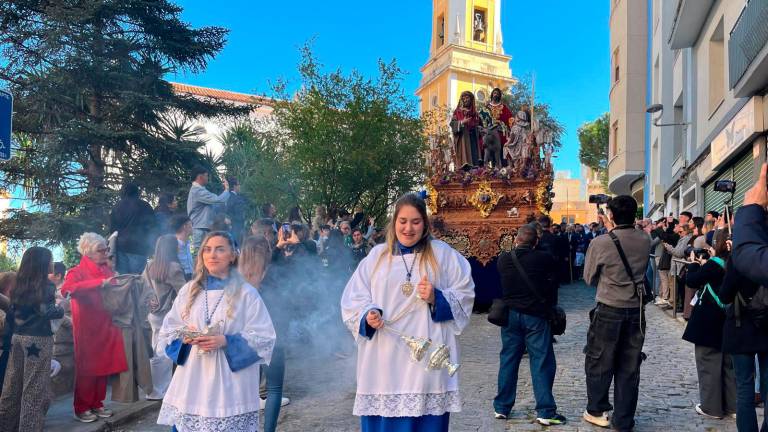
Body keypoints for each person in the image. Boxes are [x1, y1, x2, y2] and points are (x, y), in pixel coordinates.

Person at [340, 193, 475, 432]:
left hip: (427, 354)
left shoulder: (442, 254)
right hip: (384, 356)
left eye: (415, 221)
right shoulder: (377, 256)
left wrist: (437, 297)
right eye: (403, 221)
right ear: (394, 222)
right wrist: (368, 314)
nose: (408, 228)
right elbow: (353, 298)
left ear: (425, 223)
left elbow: (465, 292)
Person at [156, 231, 276, 431]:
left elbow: (264, 338)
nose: (212, 255)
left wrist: (226, 340)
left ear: (232, 255)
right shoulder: (189, 291)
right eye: (208, 249)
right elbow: (169, 330)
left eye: (220, 249)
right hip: (194, 377)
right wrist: (186, 337)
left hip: (231, 382)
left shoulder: (246, 293)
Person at [582, 195, 651, 431]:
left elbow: (588, 278)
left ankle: (597, 409)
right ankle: (623, 420)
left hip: (609, 308)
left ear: (610, 215)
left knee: (599, 361)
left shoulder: (600, 243)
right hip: (636, 310)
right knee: (629, 366)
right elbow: (625, 238)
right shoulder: (645, 239)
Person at [493, 225, 566, 425]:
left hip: (510, 316)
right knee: (541, 361)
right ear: (535, 242)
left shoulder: (504, 259)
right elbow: (554, 279)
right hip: (536, 316)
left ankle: (502, 407)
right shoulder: (543, 258)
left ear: (516, 240)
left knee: (508, 359)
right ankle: (545, 410)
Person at [61, 232, 127, 423]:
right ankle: (81, 407)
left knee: (104, 365)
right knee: (87, 369)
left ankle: (97, 403)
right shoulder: (76, 271)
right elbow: (68, 289)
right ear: (88, 252)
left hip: (106, 323)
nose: (106, 252)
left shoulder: (106, 268)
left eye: (106, 248)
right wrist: (99, 283)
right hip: (88, 329)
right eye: (101, 250)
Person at [0, 247, 64, 431]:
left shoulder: (19, 283)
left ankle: (5, 426)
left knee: (11, 387)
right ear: (43, 263)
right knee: (34, 390)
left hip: (17, 338)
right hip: (38, 339)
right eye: (51, 259)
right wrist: (61, 306)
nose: (53, 262)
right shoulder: (47, 285)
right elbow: (47, 312)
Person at [728, 163, 768, 432]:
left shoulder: (743, 254)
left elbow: (725, 291)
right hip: (764, 325)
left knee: (744, 389)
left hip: (742, 325)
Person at [682, 233, 736, 419]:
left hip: (709, 320)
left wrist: (695, 263)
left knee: (708, 363)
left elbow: (692, 281)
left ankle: (711, 407)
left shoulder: (715, 264)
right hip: (730, 319)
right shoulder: (738, 263)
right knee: (729, 365)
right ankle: (733, 406)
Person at [239, 236, 290, 432]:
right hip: (274, 332)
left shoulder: (237, 276)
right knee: (275, 388)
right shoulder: (275, 270)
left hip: (246, 335)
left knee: (247, 388)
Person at [144, 235, 187, 401]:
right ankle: (160, 389)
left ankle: (154, 388)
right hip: (167, 313)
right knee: (165, 350)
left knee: (156, 349)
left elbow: (143, 287)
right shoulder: (173, 267)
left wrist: (150, 301)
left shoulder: (149, 266)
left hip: (153, 313)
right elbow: (184, 292)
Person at [109, 182, 156, 274]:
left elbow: (112, 229)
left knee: (123, 279)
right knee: (137, 279)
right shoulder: (145, 206)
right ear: (137, 192)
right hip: (139, 247)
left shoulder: (117, 206)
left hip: (121, 247)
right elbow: (152, 227)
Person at [187, 166, 230, 254]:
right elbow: (217, 200)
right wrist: (227, 189)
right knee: (199, 254)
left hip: (202, 227)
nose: (208, 178)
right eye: (206, 176)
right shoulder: (197, 191)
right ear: (200, 177)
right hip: (200, 228)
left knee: (204, 254)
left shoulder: (200, 190)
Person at [450, 91, 480, 169]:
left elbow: (480, 126)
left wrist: (480, 129)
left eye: (467, 98)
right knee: (465, 161)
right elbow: (452, 124)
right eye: (463, 98)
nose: (465, 100)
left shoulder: (475, 114)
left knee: (475, 161)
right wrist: (462, 122)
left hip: (473, 137)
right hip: (463, 138)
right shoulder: (457, 112)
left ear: (471, 99)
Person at [226, 177, 250, 243]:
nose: (240, 186)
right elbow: (239, 215)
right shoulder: (236, 199)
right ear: (234, 186)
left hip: (229, 227)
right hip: (237, 227)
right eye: (238, 184)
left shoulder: (226, 196)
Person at [171, 215, 195, 281]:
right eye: (191, 225)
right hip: (180, 277)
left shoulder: (186, 243)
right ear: (185, 226)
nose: (193, 227)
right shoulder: (173, 244)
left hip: (190, 276)